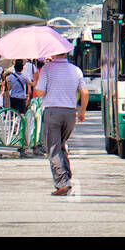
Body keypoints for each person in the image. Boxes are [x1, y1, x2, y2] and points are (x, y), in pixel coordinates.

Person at [31, 51, 89, 196]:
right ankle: (67, 179)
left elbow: (39, 93)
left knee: (53, 148)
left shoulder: (47, 69)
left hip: (52, 111)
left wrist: (36, 81)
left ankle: (62, 183)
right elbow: (85, 92)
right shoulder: (75, 69)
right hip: (70, 113)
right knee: (61, 145)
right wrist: (82, 111)